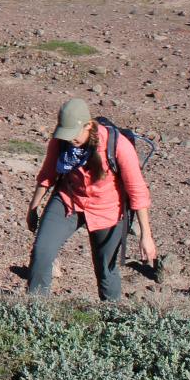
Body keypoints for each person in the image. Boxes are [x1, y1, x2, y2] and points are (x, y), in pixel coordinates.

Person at [26, 97, 157, 302]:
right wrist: (33, 207)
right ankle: (33, 309)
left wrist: (146, 236)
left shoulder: (118, 146)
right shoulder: (61, 141)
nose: (70, 140)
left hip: (109, 210)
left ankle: (112, 319)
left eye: (74, 135)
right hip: (69, 199)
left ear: (88, 126)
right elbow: (47, 175)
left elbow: (137, 191)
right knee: (42, 251)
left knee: (106, 270)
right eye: (66, 135)